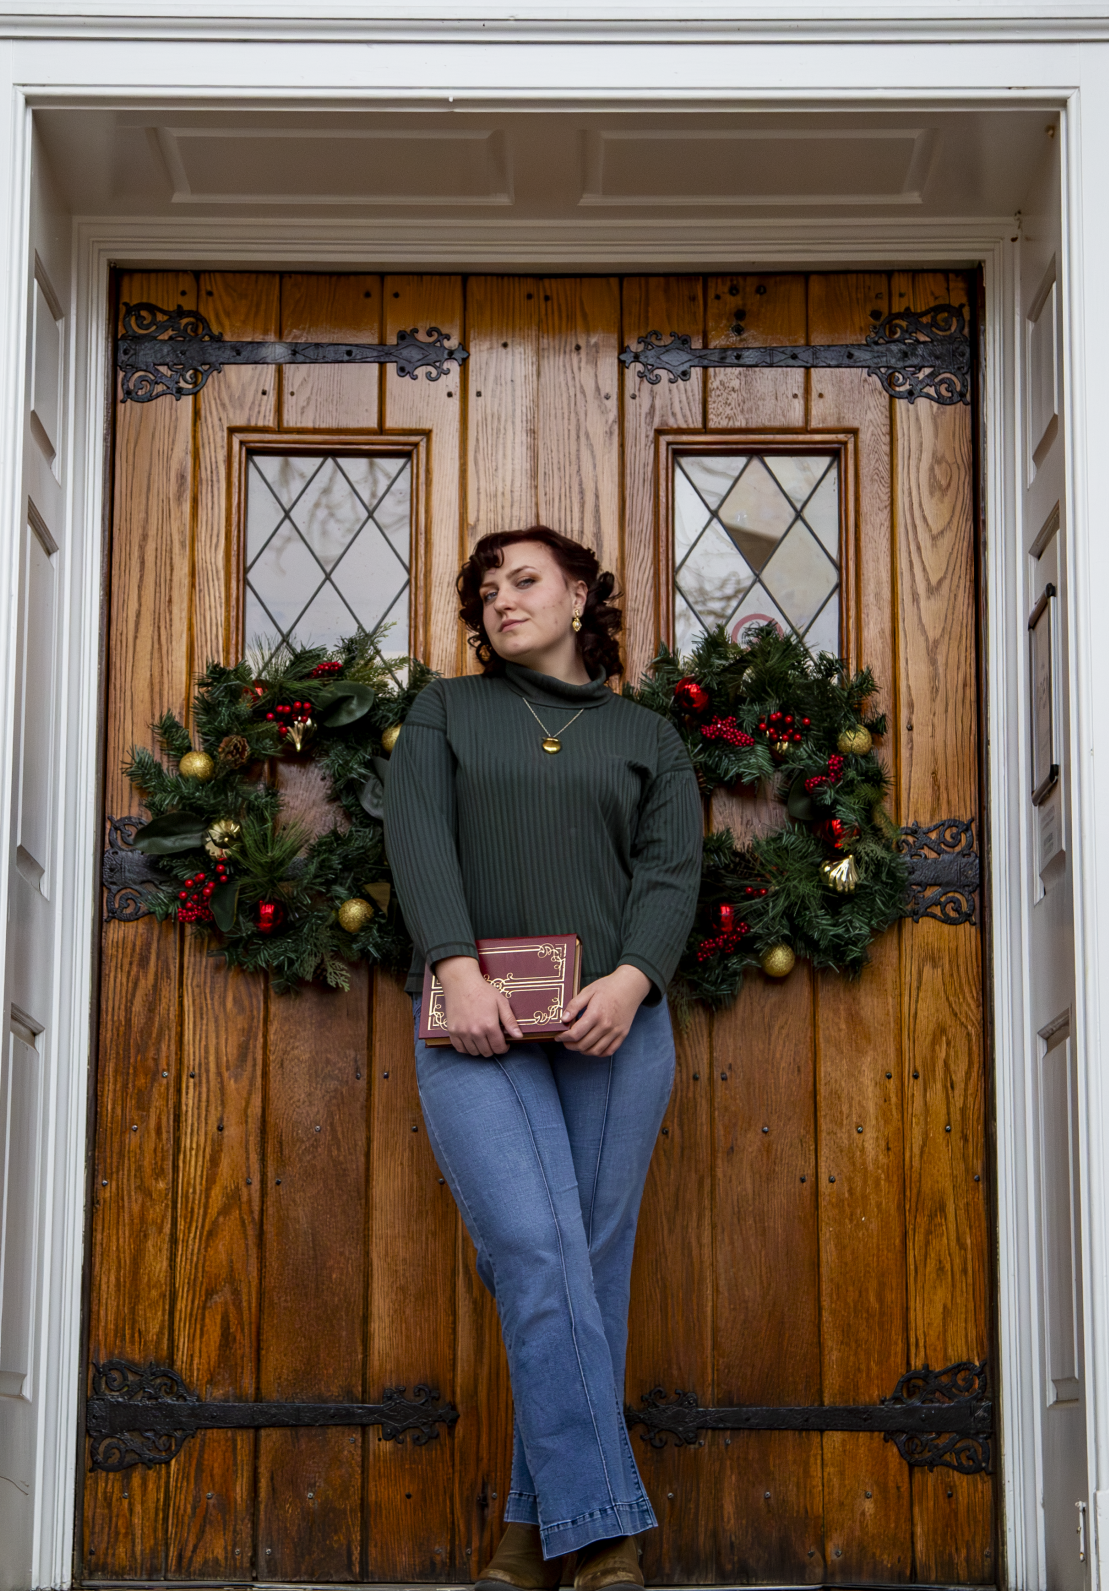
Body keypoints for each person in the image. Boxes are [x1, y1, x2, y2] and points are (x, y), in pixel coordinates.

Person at [384, 526, 704, 1591]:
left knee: (586, 1272)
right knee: (533, 1248)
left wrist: (630, 980)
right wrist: (454, 967)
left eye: (523, 581)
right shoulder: (446, 709)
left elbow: (667, 873)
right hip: (472, 1018)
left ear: (578, 594)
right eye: (484, 589)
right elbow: (417, 839)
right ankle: (605, 1532)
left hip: (613, 1025)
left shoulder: (647, 737)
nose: (499, 600)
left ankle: (530, 1530)